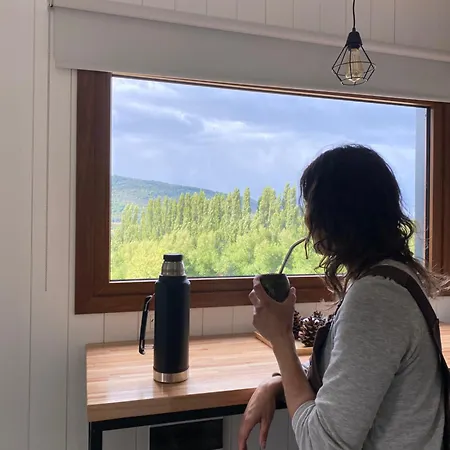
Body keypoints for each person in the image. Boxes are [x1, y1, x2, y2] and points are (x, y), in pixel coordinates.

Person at [238, 144, 446, 450]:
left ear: (335, 216)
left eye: (311, 205)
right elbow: (351, 377)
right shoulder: (395, 277)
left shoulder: (375, 300)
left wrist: (281, 338)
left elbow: (322, 444)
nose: (307, 218)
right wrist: (279, 381)